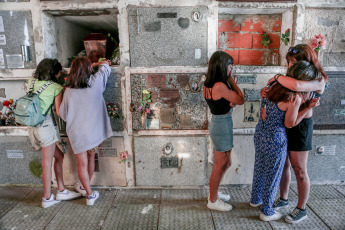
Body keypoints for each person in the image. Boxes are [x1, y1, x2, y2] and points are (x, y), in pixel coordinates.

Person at [250, 60, 321, 222]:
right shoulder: (293, 97)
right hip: (276, 139)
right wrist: (308, 107)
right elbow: (289, 123)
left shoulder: (272, 87)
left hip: (260, 134)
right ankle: (267, 211)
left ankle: (255, 199)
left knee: (259, 168)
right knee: (273, 175)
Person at [266, 45, 327, 224]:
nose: (291, 65)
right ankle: (283, 198)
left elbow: (297, 85)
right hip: (286, 122)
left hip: (301, 127)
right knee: (284, 165)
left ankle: (302, 208)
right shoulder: (291, 76)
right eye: (289, 62)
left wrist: (277, 77)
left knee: (299, 169)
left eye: (295, 62)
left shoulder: (318, 79)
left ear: (307, 61)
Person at [27, 58, 81, 208]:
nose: (59, 75)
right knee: (46, 163)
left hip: (32, 128)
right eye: (59, 72)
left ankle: (62, 190)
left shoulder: (31, 82)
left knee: (59, 156)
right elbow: (59, 112)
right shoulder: (56, 87)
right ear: (54, 72)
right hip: (45, 128)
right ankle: (47, 198)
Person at [60, 57, 113, 206]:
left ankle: (87, 191)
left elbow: (64, 114)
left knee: (81, 163)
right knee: (91, 159)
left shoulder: (68, 91)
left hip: (77, 133)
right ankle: (88, 192)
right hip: (93, 133)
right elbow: (105, 65)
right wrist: (96, 63)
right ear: (89, 69)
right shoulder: (96, 82)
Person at [203, 51, 244, 211]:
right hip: (221, 126)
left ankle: (214, 193)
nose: (231, 69)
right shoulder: (220, 85)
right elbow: (240, 99)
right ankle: (212, 201)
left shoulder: (209, 84)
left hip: (220, 123)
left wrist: (228, 103)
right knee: (220, 165)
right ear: (222, 66)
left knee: (227, 162)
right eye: (230, 66)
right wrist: (231, 80)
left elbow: (220, 103)